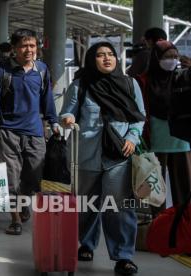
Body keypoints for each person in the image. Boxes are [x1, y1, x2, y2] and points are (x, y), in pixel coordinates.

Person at [60, 42, 145, 275]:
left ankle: (123, 256)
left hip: (119, 154)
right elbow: (66, 111)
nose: (107, 59)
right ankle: (86, 244)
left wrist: (132, 137)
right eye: (100, 55)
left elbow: (139, 117)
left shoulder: (130, 84)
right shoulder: (80, 85)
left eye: (110, 55)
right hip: (85, 154)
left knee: (119, 207)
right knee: (86, 205)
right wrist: (67, 119)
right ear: (91, 59)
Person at [0, 29, 59, 235]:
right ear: (14, 48)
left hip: (35, 132)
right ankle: (15, 219)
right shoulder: (1, 71)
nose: (29, 50)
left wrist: (54, 121)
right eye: (24, 46)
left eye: (32, 46)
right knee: (11, 177)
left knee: (34, 176)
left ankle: (23, 202)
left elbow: (47, 99)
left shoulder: (42, 70)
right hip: (8, 132)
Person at [137, 40, 191, 209]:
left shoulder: (182, 77)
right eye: (167, 56)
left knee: (184, 191)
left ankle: (183, 225)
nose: (172, 60)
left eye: (175, 56)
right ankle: (158, 226)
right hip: (154, 142)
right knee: (154, 193)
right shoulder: (144, 81)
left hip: (181, 141)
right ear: (156, 58)